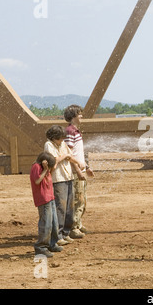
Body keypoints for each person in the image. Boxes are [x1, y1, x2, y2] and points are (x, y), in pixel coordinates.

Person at [44, 125, 84, 246]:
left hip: (68, 177)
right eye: (59, 138)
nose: (61, 140)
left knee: (68, 207)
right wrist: (65, 157)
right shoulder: (48, 145)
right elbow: (53, 160)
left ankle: (66, 233)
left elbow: (70, 156)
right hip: (58, 179)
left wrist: (77, 163)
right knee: (60, 208)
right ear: (53, 137)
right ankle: (58, 235)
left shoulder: (62, 144)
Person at [64, 105, 95, 239]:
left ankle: (78, 223)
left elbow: (78, 153)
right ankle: (74, 227)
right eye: (79, 114)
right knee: (78, 199)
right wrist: (77, 170)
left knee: (83, 199)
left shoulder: (76, 131)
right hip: (76, 172)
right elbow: (69, 153)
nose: (81, 116)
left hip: (81, 170)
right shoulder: (70, 132)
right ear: (73, 116)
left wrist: (86, 167)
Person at [30, 151, 62, 257]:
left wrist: (47, 169)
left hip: (50, 198)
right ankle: (41, 247)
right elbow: (37, 181)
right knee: (46, 224)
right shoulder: (36, 167)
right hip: (43, 199)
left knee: (54, 223)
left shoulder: (45, 168)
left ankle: (52, 243)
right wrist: (44, 169)